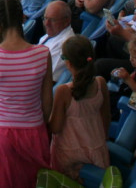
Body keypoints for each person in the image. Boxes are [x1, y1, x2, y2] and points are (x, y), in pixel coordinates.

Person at [0, 0, 52, 188]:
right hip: (34, 131)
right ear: (22, 18)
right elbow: (47, 102)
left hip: (0, 135)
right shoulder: (43, 53)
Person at [48, 36, 111, 180]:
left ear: (68, 63)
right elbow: (106, 118)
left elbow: (55, 128)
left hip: (69, 156)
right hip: (97, 150)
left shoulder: (63, 91)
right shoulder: (101, 83)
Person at [38, 1, 75, 82]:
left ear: (66, 21)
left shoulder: (64, 46)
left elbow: (51, 79)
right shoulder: (53, 33)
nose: (47, 23)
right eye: (45, 18)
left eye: (52, 20)